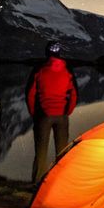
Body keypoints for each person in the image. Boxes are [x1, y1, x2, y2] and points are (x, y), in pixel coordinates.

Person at [26, 41, 78, 183]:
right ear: (59, 53)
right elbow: (74, 94)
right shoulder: (67, 69)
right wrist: (68, 111)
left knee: (41, 152)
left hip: (43, 115)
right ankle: (60, 183)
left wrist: (33, 112)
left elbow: (30, 93)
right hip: (62, 115)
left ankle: (37, 183)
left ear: (46, 53)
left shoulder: (39, 69)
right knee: (62, 151)